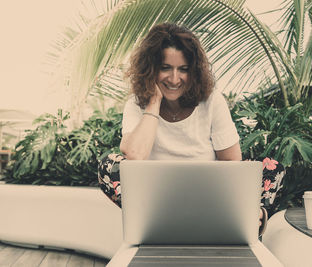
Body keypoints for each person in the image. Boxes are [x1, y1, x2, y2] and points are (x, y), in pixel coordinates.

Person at [97, 22, 268, 237]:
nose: (175, 78)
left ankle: (252, 218)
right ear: (150, 69)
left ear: (194, 71)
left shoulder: (212, 101)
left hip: (209, 200)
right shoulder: (135, 104)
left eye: (183, 69)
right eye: (165, 68)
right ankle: (158, 225)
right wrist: (153, 103)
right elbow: (135, 156)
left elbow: (231, 163)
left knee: (270, 169)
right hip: (156, 205)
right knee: (109, 165)